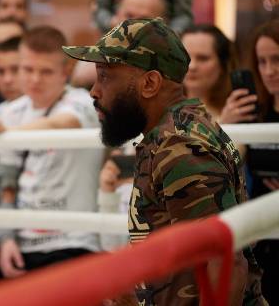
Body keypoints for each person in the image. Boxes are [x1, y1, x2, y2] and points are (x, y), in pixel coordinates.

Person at [62, 17, 265, 305]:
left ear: (150, 83)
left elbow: (227, 265)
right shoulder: (169, 134)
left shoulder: (182, 146)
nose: (94, 91)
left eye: (106, 76)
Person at [0, 26, 103, 278]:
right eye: (27, 69)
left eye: (46, 71)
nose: (35, 79)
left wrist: (7, 132)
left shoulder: (81, 102)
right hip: (24, 245)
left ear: (66, 71)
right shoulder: (9, 112)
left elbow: (63, 124)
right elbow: (6, 183)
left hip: (73, 242)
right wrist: (5, 238)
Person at [74, 0, 169, 89]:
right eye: (129, 16)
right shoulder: (90, 64)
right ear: (116, 17)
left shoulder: (170, 68)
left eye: (143, 19)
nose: (132, 25)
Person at [245, 19, 279, 304]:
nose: (270, 71)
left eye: (277, 60)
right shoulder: (254, 112)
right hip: (260, 237)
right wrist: (229, 125)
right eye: (262, 61)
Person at [181, 24, 257, 123]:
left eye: (203, 58)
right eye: (185, 57)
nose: (192, 66)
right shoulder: (161, 109)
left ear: (223, 64)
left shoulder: (237, 110)